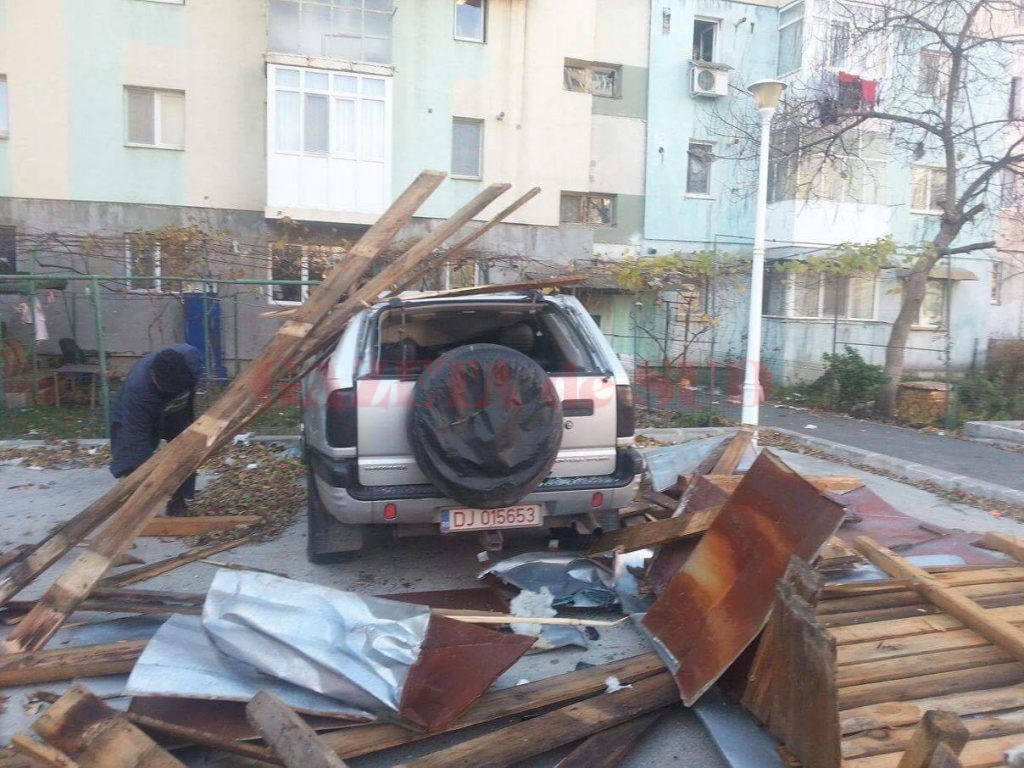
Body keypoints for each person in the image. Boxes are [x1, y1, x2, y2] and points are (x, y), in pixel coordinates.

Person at [110, 343, 203, 516]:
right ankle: (136, 502)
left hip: (177, 408)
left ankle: (178, 499)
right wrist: (148, 480)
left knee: (186, 446)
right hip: (139, 410)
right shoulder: (138, 389)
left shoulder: (193, 359)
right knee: (131, 452)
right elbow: (137, 438)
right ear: (153, 376)